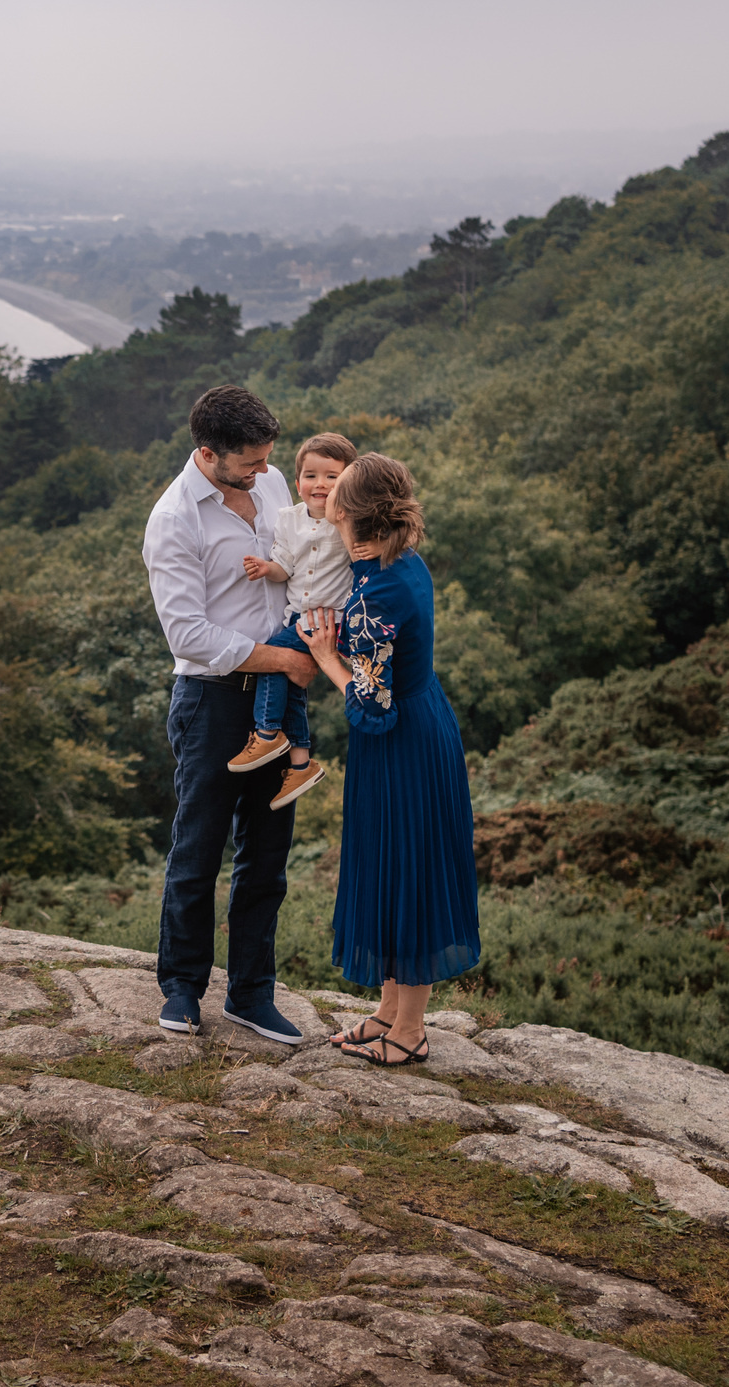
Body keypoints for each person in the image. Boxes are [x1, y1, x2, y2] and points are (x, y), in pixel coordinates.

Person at [140, 384, 317, 1044]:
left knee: (266, 858)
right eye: (250, 461)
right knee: (198, 850)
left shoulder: (270, 488)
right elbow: (187, 635)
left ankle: (251, 994)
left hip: (281, 697)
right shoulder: (175, 519)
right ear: (208, 453)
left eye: (268, 457)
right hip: (212, 703)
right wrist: (283, 661)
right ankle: (182, 989)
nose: (265, 472)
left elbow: (298, 562)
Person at [300, 452, 480, 1066]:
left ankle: (410, 1033)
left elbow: (372, 704)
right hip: (421, 722)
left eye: (334, 492)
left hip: (400, 740)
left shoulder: (381, 593)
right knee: (392, 863)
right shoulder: (396, 561)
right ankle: (386, 1013)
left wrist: (326, 653)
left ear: (348, 513)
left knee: (410, 870)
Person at [229, 432, 358, 809]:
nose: (320, 485)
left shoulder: (350, 521)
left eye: (332, 476)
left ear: (349, 481)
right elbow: (285, 566)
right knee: (292, 683)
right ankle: (300, 762)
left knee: (271, 658)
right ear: (297, 480)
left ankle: (267, 732)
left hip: (329, 620)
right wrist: (265, 567)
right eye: (311, 475)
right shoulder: (287, 520)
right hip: (297, 618)